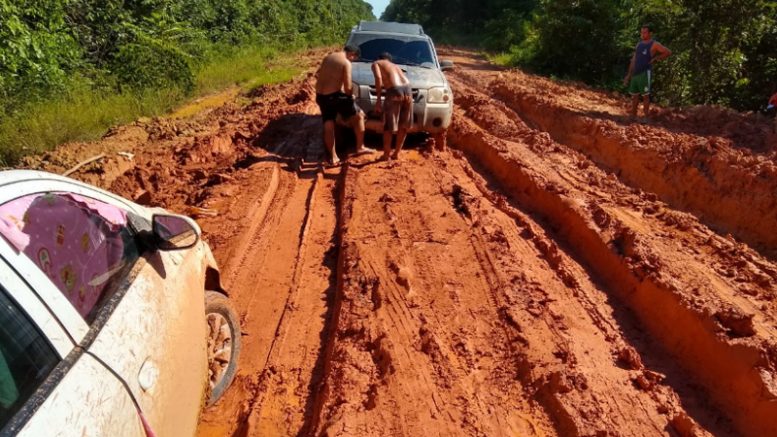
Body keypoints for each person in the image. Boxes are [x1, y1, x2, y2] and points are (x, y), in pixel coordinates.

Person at [315, 45, 373, 165]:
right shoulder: (346, 62)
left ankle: (333, 157)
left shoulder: (328, 57)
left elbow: (321, 75)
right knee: (359, 115)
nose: (352, 60)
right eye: (353, 58)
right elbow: (348, 87)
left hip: (321, 96)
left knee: (328, 123)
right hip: (334, 96)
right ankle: (360, 147)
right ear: (352, 54)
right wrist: (350, 95)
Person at [623, 24, 672, 121]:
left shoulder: (654, 44)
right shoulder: (639, 45)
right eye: (642, 32)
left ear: (650, 33)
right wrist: (628, 75)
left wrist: (656, 58)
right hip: (636, 73)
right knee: (634, 95)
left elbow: (667, 52)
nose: (642, 34)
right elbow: (634, 59)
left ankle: (645, 117)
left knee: (645, 96)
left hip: (645, 73)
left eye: (645, 32)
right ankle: (633, 115)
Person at [372, 52, 413, 160]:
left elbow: (378, 78)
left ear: (380, 58)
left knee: (388, 127)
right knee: (403, 125)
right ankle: (396, 154)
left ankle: (386, 155)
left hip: (394, 90)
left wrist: (378, 100)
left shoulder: (376, 63)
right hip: (408, 89)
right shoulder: (395, 66)